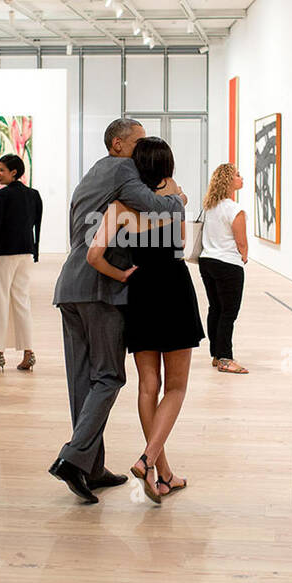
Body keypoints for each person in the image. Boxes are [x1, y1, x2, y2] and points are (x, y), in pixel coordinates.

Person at [47, 118, 187, 504]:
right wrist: (179, 198)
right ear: (118, 144)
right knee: (108, 377)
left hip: (69, 287)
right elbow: (160, 207)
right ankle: (73, 459)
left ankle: (90, 467)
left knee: (83, 382)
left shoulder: (93, 173)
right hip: (100, 288)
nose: (141, 151)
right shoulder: (125, 170)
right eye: (137, 142)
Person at [86, 138, 204, 504]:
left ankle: (163, 475)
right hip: (174, 289)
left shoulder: (120, 206)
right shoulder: (172, 203)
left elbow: (94, 255)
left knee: (147, 386)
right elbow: (180, 245)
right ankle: (148, 459)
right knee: (177, 387)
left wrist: (121, 276)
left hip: (140, 294)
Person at [0, 154, 42, 372]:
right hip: (25, 254)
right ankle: (28, 352)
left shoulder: (1, 196)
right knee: (22, 301)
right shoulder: (33, 195)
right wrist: (34, 251)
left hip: (3, 254)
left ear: (13, 172)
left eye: (1, 170)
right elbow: (37, 225)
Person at [197, 163, 250, 374]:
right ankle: (226, 358)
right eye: (237, 174)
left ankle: (217, 355)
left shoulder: (210, 206)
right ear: (229, 181)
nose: (241, 177)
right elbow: (242, 242)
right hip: (228, 265)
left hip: (207, 262)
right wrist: (244, 256)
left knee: (215, 309)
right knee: (229, 312)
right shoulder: (235, 210)